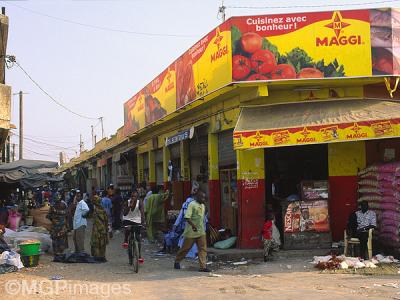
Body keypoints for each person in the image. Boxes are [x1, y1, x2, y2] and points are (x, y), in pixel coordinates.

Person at [174, 190, 210, 272]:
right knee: (186, 248)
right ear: (197, 197)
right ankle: (177, 260)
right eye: (202, 198)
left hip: (201, 231)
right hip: (191, 232)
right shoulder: (192, 205)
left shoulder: (203, 206)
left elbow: (203, 218)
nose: (204, 199)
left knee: (202, 249)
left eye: (204, 198)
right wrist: (193, 226)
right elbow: (187, 217)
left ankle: (203, 266)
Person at [122, 190, 145, 263]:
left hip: (136, 220)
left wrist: (143, 222)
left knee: (138, 238)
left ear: (137, 197)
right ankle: (125, 240)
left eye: (135, 196)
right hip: (128, 219)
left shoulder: (140, 202)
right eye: (132, 196)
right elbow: (125, 214)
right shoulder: (127, 202)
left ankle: (139, 256)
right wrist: (129, 207)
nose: (133, 198)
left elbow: (142, 213)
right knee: (128, 229)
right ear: (130, 197)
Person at [46, 193, 68, 258]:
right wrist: (53, 219)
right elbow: (48, 215)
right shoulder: (53, 206)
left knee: (60, 239)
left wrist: (55, 216)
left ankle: (59, 252)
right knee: (56, 239)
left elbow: (67, 213)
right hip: (57, 226)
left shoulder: (62, 205)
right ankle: (57, 252)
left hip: (61, 225)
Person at [90, 195, 109, 262]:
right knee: (102, 243)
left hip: (96, 229)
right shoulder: (103, 209)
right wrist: (107, 229)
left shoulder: (94, 210)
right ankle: (102, 256)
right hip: (103, 229)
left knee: (96, 244)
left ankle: (97, 257)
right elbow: (106, 220)